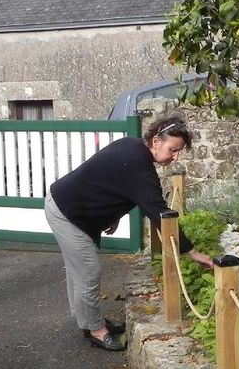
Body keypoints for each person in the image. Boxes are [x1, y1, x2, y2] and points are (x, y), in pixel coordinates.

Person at [46, 115, 214, 351]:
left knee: (80, 269)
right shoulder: (141, 169)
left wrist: (112, 215)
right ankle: (95, 331)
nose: (175, 157)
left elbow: (109, 181)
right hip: (67, 212)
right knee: (87, 271)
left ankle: (88, 320)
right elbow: (160, 215)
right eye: (172, 149)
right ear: (156, 141)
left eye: (178, 152)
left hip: (69, 206)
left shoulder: (133, 146)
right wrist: (192, 252)